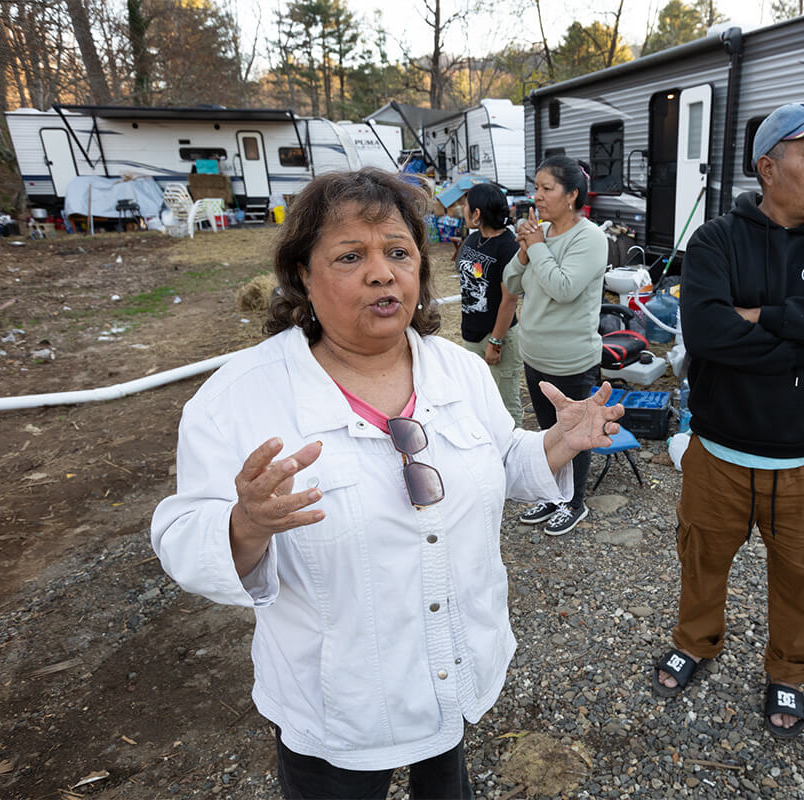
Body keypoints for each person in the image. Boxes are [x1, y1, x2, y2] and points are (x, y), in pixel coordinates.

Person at [150, 168, 622, 799]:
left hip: (451, 665)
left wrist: (557, 444)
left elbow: (500, 459)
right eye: (351, 256)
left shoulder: (458, 372)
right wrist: (245, 524)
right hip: (337, 700)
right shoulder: (238, 399)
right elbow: (183, 536)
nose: (382, 273)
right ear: (302, 278)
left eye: (398, 252)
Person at [652, 102, 804, 739]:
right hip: (720, 454)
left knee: (801, 578)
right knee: (702, 562)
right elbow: (706, 332)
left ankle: (788, 671)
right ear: (769, 166)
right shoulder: (715, 240)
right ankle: (696, 643)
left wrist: (760, 315)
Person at [504, 156, 609, 537]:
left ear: (572, 196)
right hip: (535, 353)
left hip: (570, 358)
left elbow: (564, 289)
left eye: (547, 189)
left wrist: (538, 247)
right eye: (537, 187)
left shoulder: (591, 238)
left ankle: (575, 502)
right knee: (549, 431)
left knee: (575, 436)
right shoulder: (540, 232)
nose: (538, 196)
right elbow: (512, 284)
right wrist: (523, 251)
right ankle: (551, 493)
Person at [457, 183, 523, 425]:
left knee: (506, 405)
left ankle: (514, 460)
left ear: (476, 214)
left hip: (497, 338)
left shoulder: (507, 246)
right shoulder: (473, 239)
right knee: (478, 400)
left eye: (466, 205)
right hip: (471, 334)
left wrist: (495, 342)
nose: (462, 210)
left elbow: (510, 299)